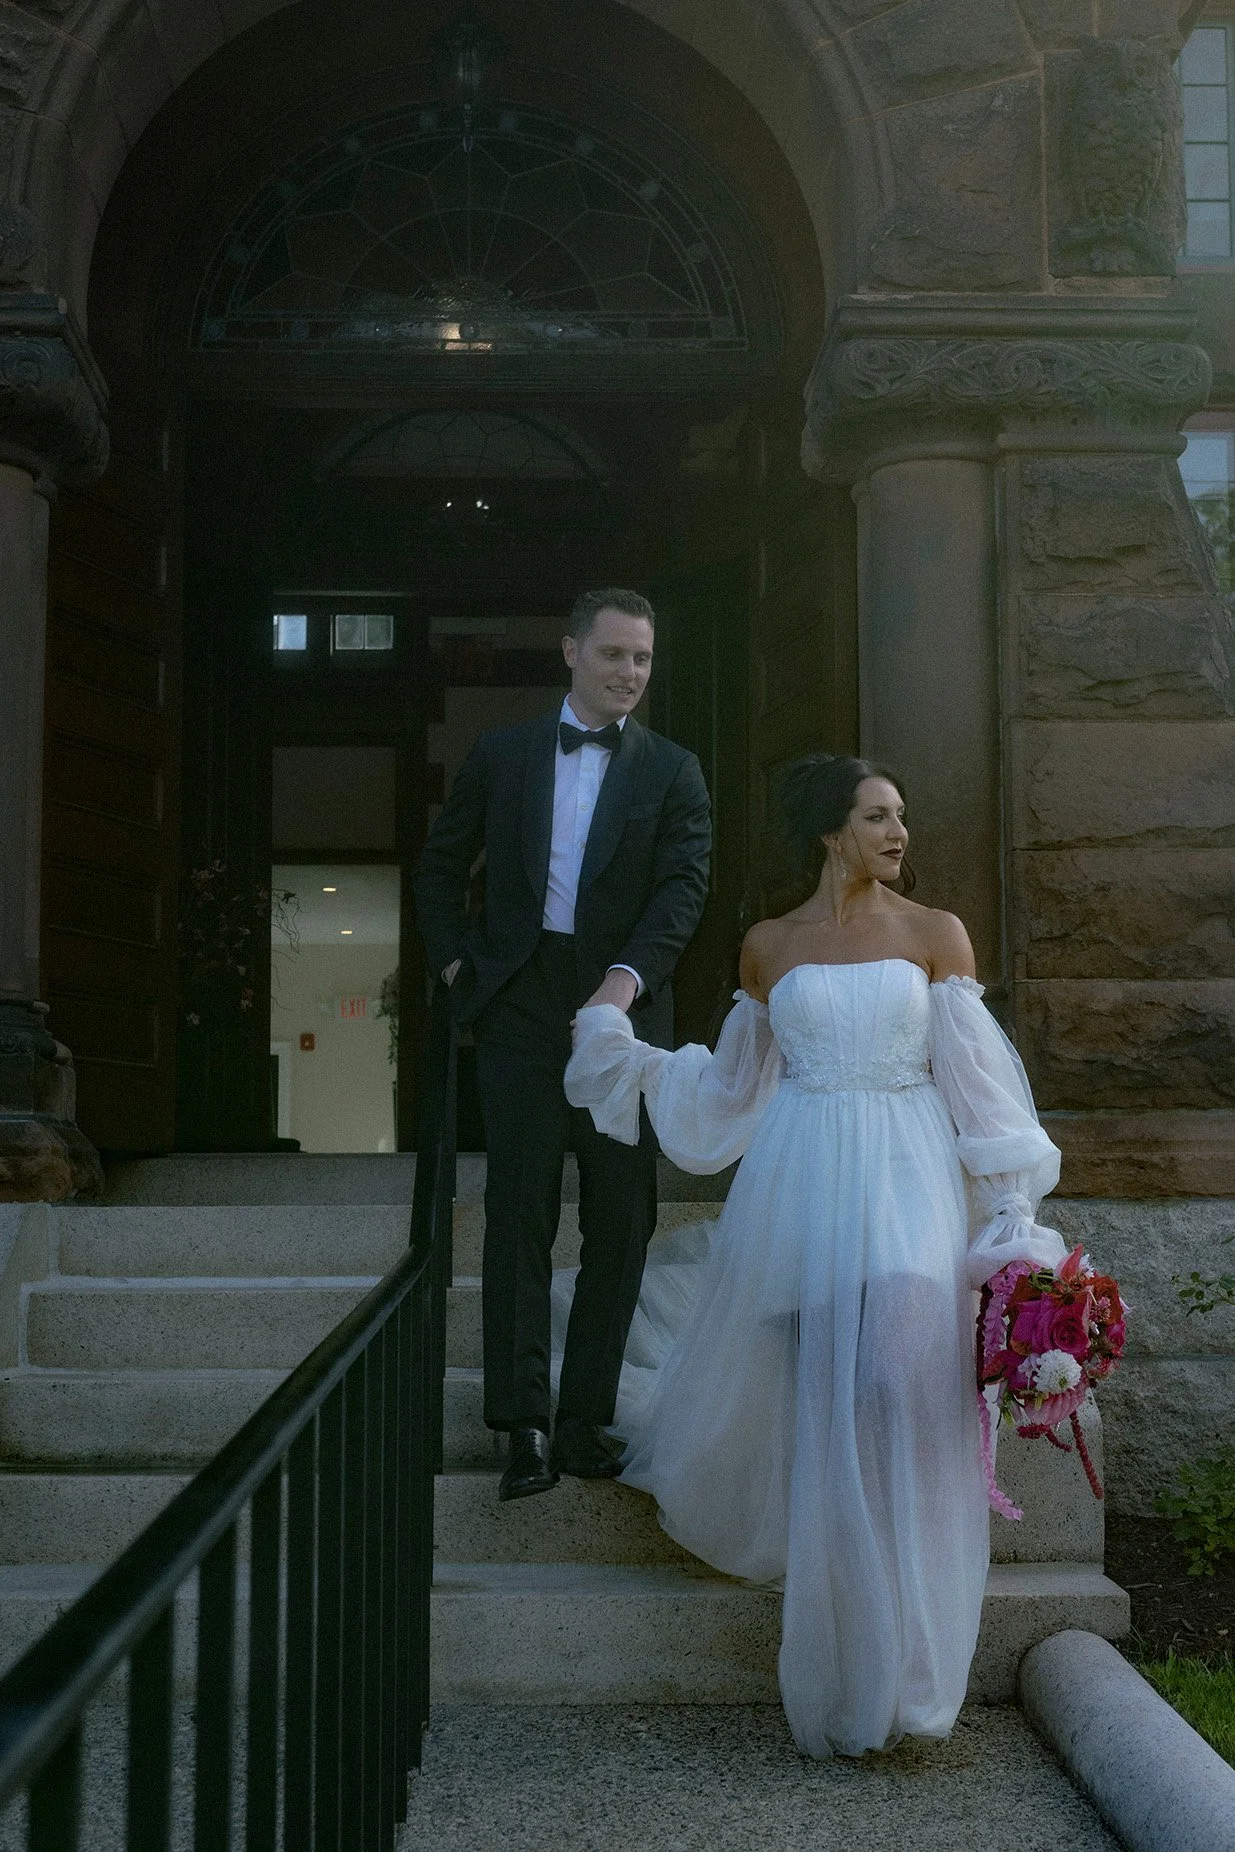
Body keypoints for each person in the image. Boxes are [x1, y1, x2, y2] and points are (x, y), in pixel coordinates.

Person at [563, 753, 1069, 1758]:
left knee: (897, 1391)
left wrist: (1009, 1216)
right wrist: (622, 1047)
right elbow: (733, 1093)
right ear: (828, 831)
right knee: (827, 1413)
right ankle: (847, 1672)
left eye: (902, 815)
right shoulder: (768, 946)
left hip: (903, 1180)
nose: (898, 834)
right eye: (877, 816)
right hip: (796, 1187)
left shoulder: (935, 936)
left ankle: (912, 1675)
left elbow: (978, 1087)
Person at [413, 588, 711, 1502]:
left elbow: (682, 890)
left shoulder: (672, 770)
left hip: (620, 1022)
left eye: (643, 659)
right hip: (519, 1008)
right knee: (518, 1213)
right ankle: (524, 1425)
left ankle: (585, 1420)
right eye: (614, 654)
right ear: (571, 651)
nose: (629, 673)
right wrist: (464, 971)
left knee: (620, 1218)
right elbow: (439, 864)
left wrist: (624, 984)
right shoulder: (503, 754)